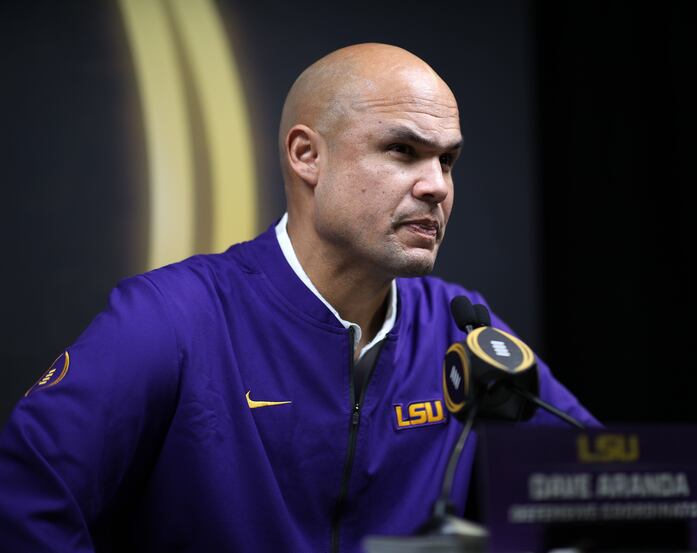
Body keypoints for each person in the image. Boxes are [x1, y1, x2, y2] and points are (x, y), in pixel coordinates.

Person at [0, 43, 599, 552]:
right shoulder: (172, 318)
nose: (437, 185)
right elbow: (24, 503)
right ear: (306, 155)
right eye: (403, 151)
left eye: (448, 159)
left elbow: (607, 488)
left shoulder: (460, 326)